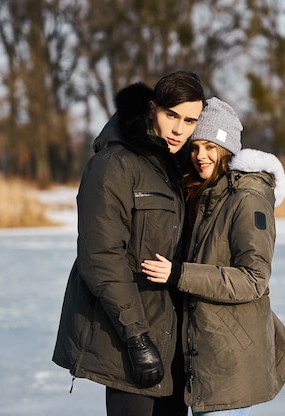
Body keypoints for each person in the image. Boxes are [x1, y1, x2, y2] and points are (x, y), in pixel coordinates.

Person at [52, 71, 206, 416]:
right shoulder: (113, 165)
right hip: (127, 338)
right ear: (152, 109)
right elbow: (101, 257)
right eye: (172, 115)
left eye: (190, 120)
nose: (179, 129)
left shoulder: (172, 168)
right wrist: (137, 338)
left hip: (172, 341)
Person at [141, 97, 285, 415]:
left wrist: (179, 274)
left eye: (211, 147)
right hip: (204, 354)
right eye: (196, 147)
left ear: (228, 150)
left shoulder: (247, 199)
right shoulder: (205, 192)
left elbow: (253, 280)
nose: (201, 156)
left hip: (230, 359)